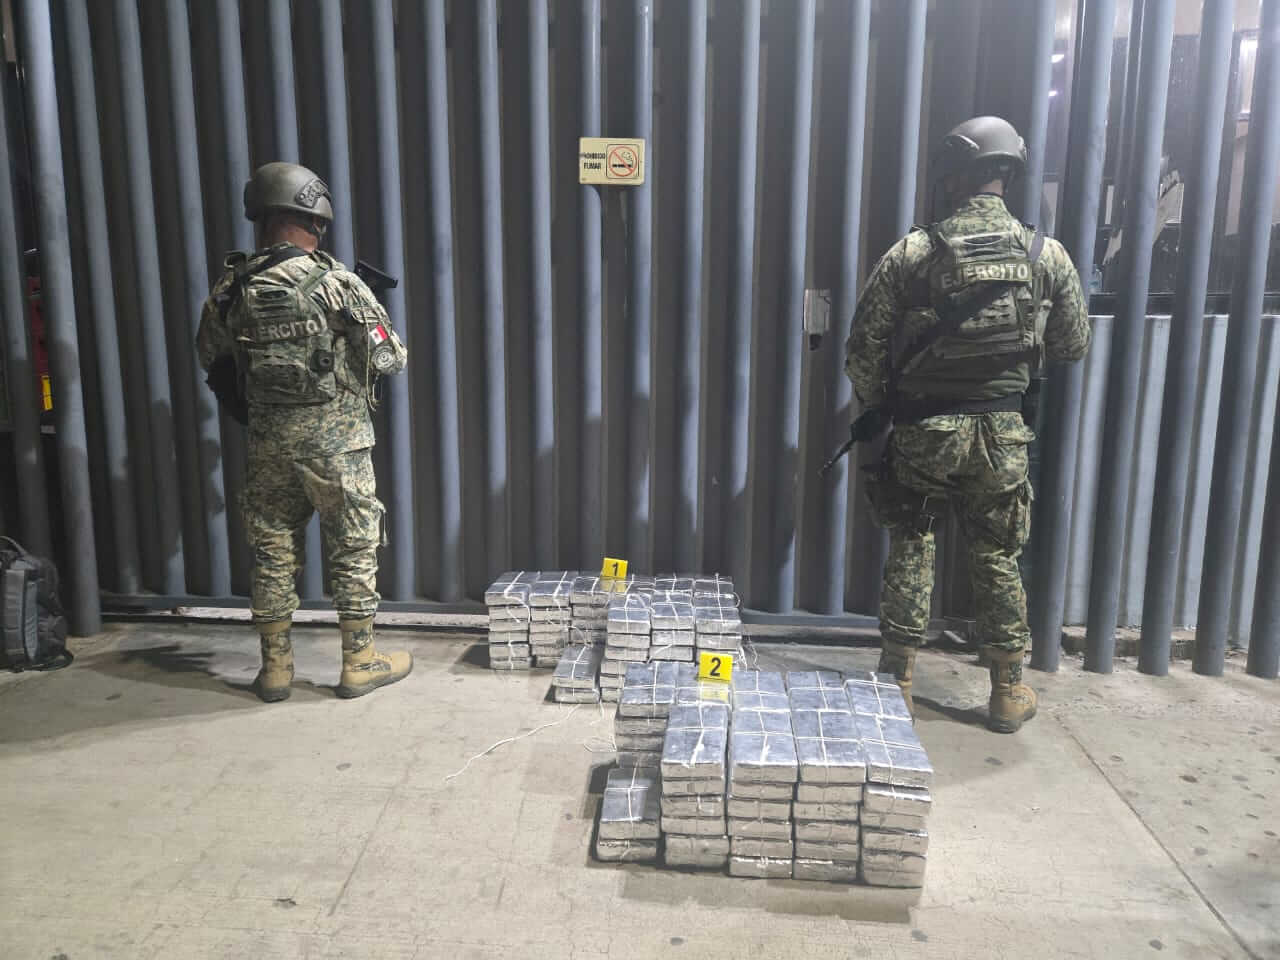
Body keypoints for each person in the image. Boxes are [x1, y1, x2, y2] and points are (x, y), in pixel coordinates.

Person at [845, 116, 1090, 733]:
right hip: (1003, 436)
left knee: (913, 541)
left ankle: (897, 684)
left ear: (952, 173)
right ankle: (1006, 692)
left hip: (924, 432)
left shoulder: (914, 252)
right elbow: (1073, 344)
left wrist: (882, 404)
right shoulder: (1045, 254)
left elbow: (862, 349)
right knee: (998, 556)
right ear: (1009, 173)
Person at [197, 162, 411, 702]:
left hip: (269, 445)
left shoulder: (232, 287)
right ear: (315, 217)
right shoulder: (338, 283)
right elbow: (390, 358)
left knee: (272, 549)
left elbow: (211, 357)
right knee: (353, 547)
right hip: (338, 448)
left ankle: (275, 669)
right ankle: (359, 662)